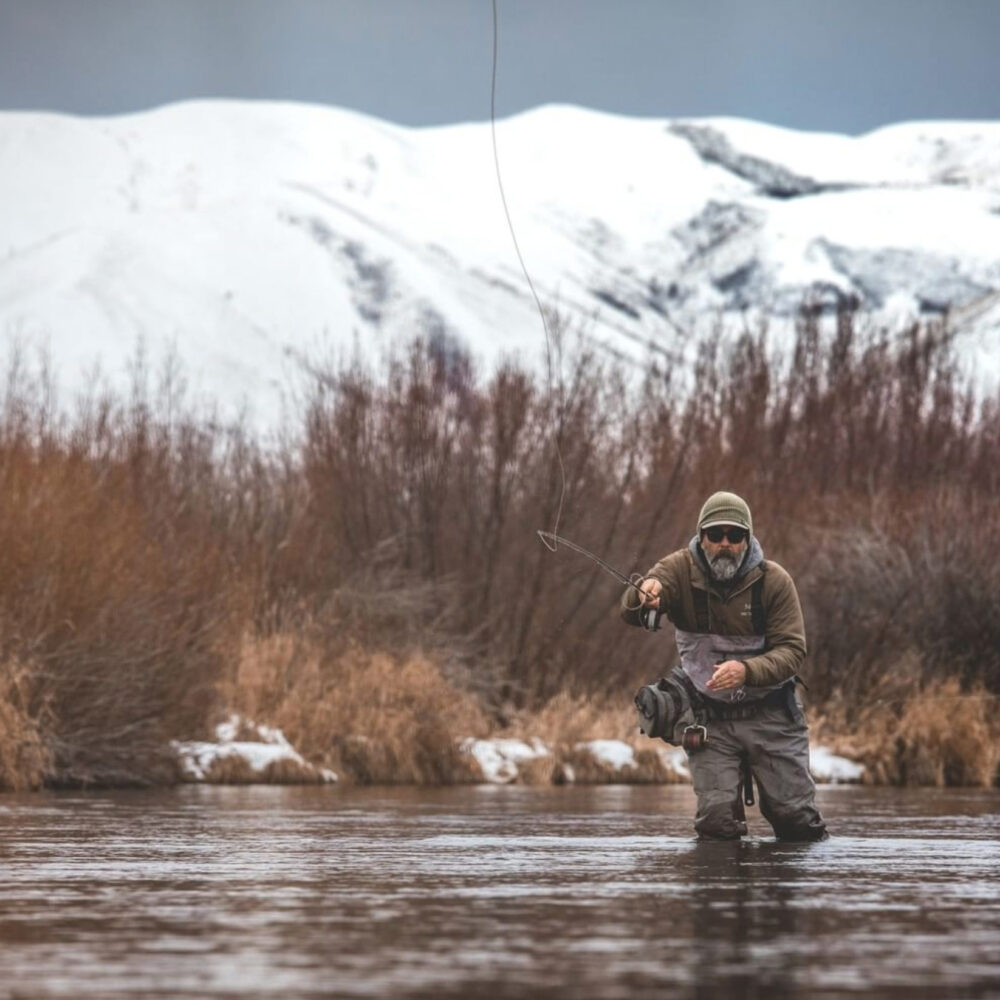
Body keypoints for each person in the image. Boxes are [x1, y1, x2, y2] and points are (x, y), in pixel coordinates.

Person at [622, 491, 827, 841]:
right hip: (708, 719)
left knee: (796, 822)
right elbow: (633, 611)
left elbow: (793, 651)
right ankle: (719, 893)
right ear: (701, 538)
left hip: (772, 716)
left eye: (735, 536)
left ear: (748, 539)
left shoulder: (775, 582)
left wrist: (747, 671)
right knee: (716, 824)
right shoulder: (678, 569)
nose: (725, 544)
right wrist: (644, 593)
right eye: (715, 535)